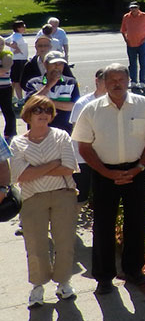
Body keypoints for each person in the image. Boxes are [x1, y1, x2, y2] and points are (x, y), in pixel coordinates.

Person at [72, 63, 145, 293]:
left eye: (121, 79)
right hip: (104, 174)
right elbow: (84, 147)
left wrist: (140, 166)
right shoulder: (92, 109)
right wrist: (105, 172)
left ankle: (133, 270)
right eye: (111, 79)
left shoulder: (143, 105)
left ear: (128, 80)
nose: (116, 84)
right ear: (103, 82)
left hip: (137, 172)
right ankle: (104, 277)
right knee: (103, 225)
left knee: (137, 222)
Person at [12, 95, 78, 308]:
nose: (43, 114)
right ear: (28, 115)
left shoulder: (61, 136)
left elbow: (69, 168)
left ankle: (64, 282)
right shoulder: (18, 142)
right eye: (38, 110)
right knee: (35, 244)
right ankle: (38, 286)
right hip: (32, 199)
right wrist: (53, 164)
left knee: (65, 241)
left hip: (63, 194)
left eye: (47, 111)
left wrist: (35, 170)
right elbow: (20, 176)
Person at [69, 68, 105, 206]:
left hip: (104, 156)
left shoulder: (115, 103)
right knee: (80, 195)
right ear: (97, 81)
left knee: (100, 195)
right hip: (83, 157)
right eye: (104, 80)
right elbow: (77, 131)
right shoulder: (83, 104)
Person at [24, 51, 79, 134]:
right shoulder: (34, 83)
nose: (57, 66)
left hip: (65, 131)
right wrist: (49, 85)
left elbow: (75, 106)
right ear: (45, 64)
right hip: (38, 132)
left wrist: (47, 102)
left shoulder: (71, 83)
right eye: (54, 63)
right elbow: (30, 103)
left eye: (60, 64)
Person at [120, 2, 145, 89]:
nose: (133, 9)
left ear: (138, 8)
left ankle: (142, 81)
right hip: (131, 44)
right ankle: (133, 81)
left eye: (135, 7)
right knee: (132, 64)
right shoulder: (126, 17)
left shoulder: (144, 16)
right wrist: (126, 39)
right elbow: (123, 30)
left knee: (143, 63)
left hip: (142, 44)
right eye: (132, 8)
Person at [6, 20, 28, 103]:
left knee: (16, 81)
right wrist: (16, 48)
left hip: (20, 60)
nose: (25, 27)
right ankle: (16, 98)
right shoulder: (17, 36)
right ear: (18, 28)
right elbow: (12, 43)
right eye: (23, 26)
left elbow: (6, 41)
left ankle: (15, 97)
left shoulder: (16, 35)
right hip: (18, 60)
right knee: (16, 80)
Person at [0, 40, 14, 139]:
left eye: (1, 44)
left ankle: (10, 133)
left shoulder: (6, 56)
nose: (0, 46)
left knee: (7, 110)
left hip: (4, 88)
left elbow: (4, 70)